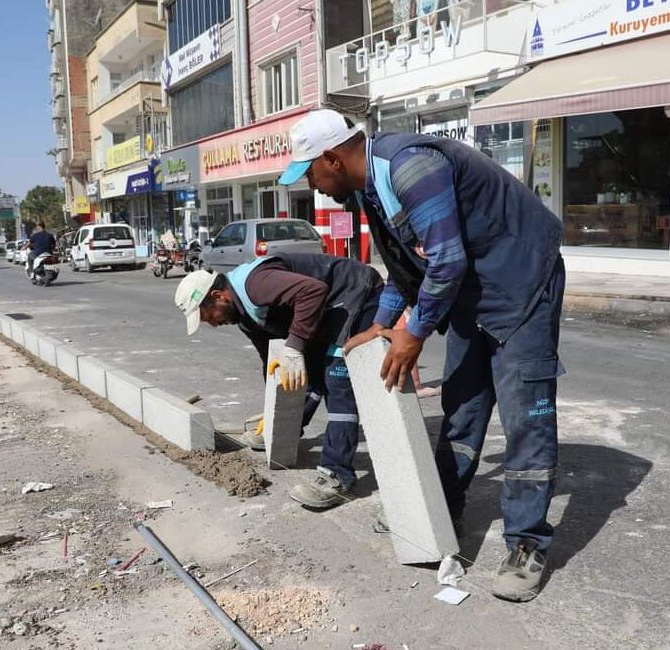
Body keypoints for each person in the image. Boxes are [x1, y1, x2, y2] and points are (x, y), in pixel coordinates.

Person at [278, 109, 566, 602]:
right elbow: (407, 273)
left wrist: (413, 331)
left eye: (310, 175)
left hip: (523, 285)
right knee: (462, 406)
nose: (313, 186)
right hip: (472, 294)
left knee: (525, 417)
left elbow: (447, 259)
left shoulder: (411, 166)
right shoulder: (372, 189)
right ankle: (441, 511)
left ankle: (527, 542)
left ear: (331, 158)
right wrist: (382, 327)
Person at [174, 252, 385, 509]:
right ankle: (286, 432)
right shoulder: (244, 315)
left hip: (355, 293)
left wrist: (295, 346)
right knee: (311, 374)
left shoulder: (255, 285)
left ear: (218, 297)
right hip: (327, 309)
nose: (213, 325)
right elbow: (270, 361)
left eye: (208, 317)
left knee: (337, 383)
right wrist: (271, 414)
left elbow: (313, 290)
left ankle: (337, 475)